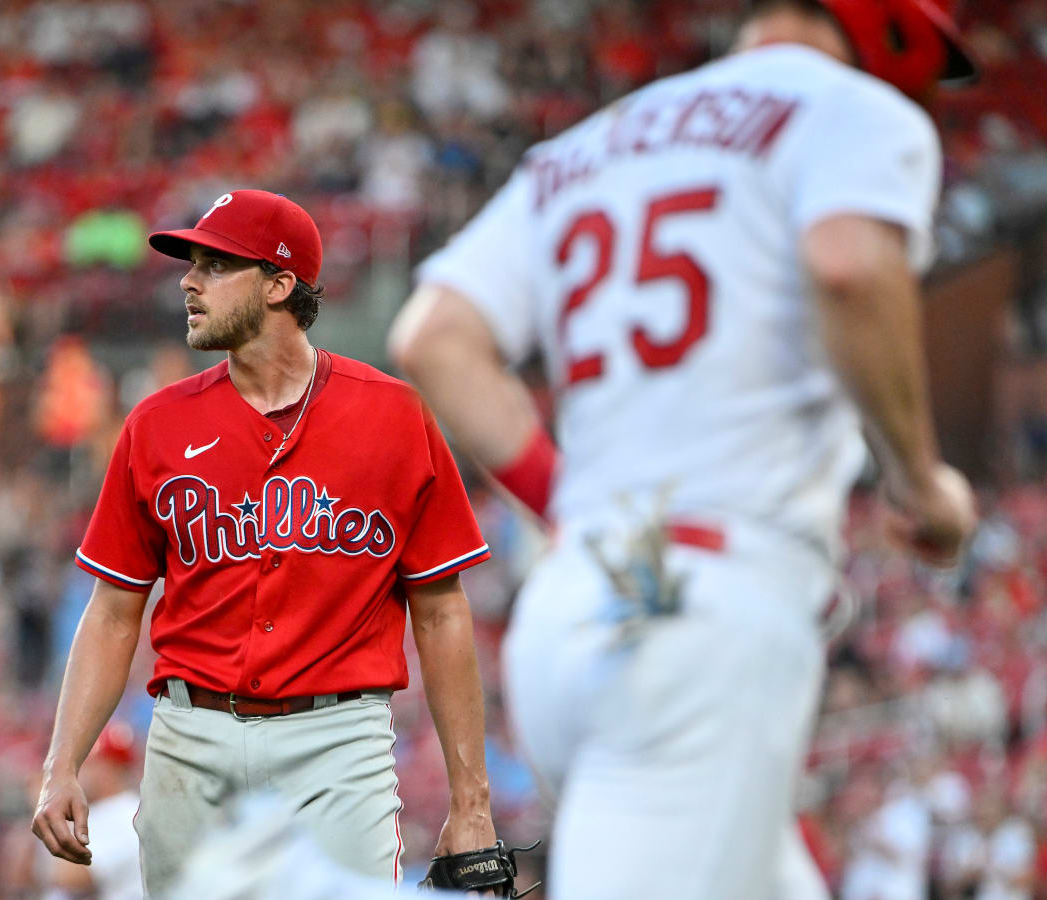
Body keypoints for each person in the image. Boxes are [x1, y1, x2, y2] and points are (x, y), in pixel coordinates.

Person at [387, 1, 980, 897]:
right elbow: (849, 263)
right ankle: (287, 882)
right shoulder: (849, 107)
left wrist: (574, 504)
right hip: (697, 618)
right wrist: (921, 482)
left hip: (579, 609)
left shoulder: (594, 140)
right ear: (890, 30)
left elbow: (433, 336)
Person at [31, 189, 498, 895]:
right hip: (191, 738)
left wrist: (473, 804)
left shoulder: (394, 415)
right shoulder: (154, 425)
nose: (189, 281)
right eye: (192, 264)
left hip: (337, 741)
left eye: (216, 265)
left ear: (281, 284)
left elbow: (441, 611)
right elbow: (112, 611)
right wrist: (61, 764)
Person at [44, 722, 143, 900]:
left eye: (85, 763)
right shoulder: (101, 811)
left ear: (109, 768)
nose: (75, 771)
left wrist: (57, 810)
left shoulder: (127, 814)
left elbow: (70, 877)